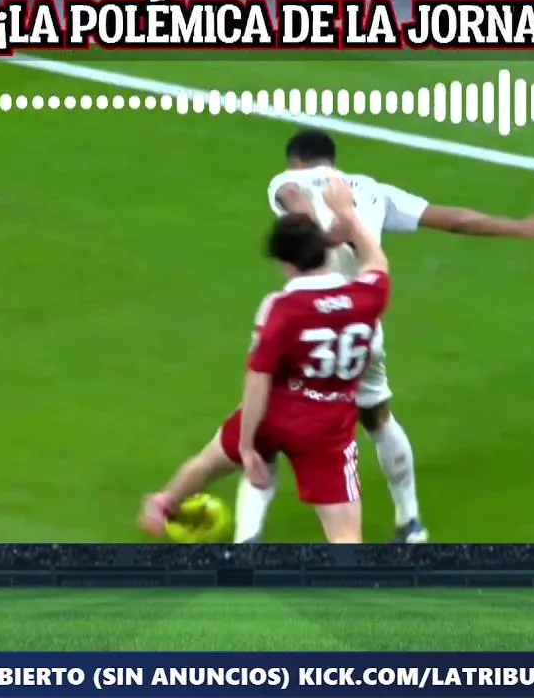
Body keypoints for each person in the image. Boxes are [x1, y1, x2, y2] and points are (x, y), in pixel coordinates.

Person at [237, 129, 534, 544]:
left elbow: (298, 212)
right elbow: (458, 221)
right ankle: (410, 521)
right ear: (334, 159)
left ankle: (246, 541)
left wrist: (332, 228)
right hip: (362, 329)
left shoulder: (287, 182)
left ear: (297, 160)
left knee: (268, 426)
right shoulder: (374, 191)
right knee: (377, 418)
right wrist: (521, 227)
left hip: (308, 329)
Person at [139, 175, 390, 543]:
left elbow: (259, 377)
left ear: (286, 263)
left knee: (210, 461)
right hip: (329, 428)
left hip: (277, 412)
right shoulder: (367, 296)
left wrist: (246, 444)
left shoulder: (282, 308)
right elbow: (377, 262)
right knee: (345, 536)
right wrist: (348, 215)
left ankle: (163, 505)